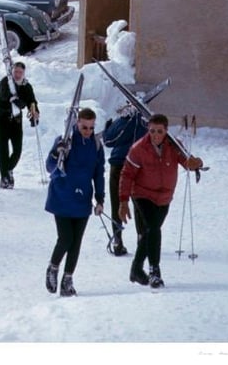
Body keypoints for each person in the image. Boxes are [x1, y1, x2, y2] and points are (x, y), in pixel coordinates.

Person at [118, 113, 203, 289]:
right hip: (142, 194)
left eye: (159, 131)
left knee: (151, 232)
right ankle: (154, 271)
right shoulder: (138, 148)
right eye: (152, 131)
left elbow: (186, 161)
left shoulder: (173, 145)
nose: (155, 135)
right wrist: (123, 202)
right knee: (153, 228)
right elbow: (127, 175)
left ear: (166, 131)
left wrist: (197, 163)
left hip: (164, 197)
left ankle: (136, 269)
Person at [44, 107, 105, 297]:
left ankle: (67, 279)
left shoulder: (96, 145)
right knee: (66, 238)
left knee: (76, 242)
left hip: (82, 199)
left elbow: (99, 174)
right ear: (77, 123)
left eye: (91, 127)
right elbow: (50, 167)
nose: (88, 131)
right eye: (84, 127)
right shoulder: (65, 141)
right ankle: (53, 267)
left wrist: (100, 199)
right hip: (62, 196)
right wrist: (57, 154)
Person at [102, 107, 149, 256]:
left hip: (118, 164)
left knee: (117, 204)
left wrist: (110, 126)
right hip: (136, 166)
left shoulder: (123, 121)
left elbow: (108, 140)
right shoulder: (146, 121)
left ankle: (117, 241)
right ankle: (142, 239)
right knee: (139, 204)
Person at [0, 60, 40, 188]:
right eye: (15, 72)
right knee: (3, 150)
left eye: (20, 72)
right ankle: (4, 178)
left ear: (24, 73)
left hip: (16, 121)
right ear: (11, 71)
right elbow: (4, 96)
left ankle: (8, 170)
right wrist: (15, 100)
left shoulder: (26, 86)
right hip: (3, 119)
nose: (17, 75)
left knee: (17, 150)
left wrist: (35, 113)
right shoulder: (5, 82)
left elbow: (32, 101)